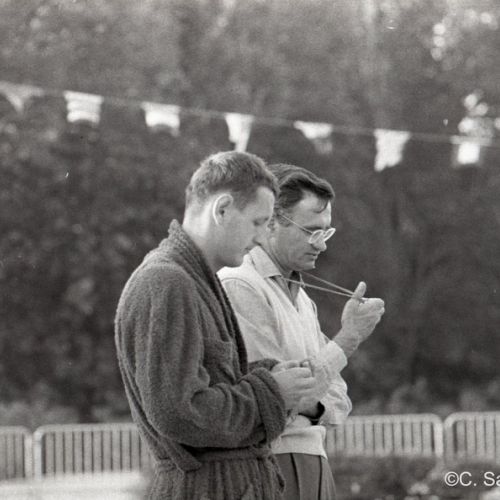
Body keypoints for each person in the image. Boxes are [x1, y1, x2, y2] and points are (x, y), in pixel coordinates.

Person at [114, 152, 319, 499]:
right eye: (258, 222)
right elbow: (179, 413)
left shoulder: (195, 280)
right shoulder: (166, 282)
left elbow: (209, 383)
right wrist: (273, 392)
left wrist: (269, 375)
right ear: (222, 209)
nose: (261, 238)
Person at [219, 163, 385, 500]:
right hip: (271, 465)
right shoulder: (240, 285)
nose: (321, 245)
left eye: (326, 233)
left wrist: (311, 401)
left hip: (313, 461)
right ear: (269, 222)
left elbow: (338, 400)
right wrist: (348, 338)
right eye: (311, 231)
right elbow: (273, 401)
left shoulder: (303, 299)